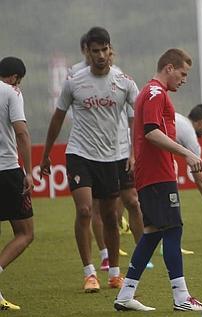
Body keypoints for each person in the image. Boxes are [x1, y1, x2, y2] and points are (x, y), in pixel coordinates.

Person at [114, 48, 202, 311]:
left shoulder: (153, 93)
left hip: (153, 174)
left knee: (151, 234)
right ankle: (181, 297)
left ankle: (125, 295)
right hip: (157, 174)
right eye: (182, 73)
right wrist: (187, 153)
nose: (184, 79)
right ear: (169, 68)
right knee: (173, 228)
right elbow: (151, 132)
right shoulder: (155, 93)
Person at [40, 27, 137, 292]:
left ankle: (115, 273)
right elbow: (58, 118)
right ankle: (89, 273)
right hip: (80, 154)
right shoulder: (74, 82)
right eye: (95, 51)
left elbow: (136, 120)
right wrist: (46, 154)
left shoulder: (124, 82)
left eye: (105, 50)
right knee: (84, 211)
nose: (101, 55)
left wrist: (133, 152)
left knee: (110, 216)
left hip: (110, 157)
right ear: (88, 52)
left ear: (110, 49)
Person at [0, 57, 34, 310]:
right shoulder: (11, 93)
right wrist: (29, 171)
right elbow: (21, 132)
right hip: (7, 170)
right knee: (25, 232)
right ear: (15, 78)